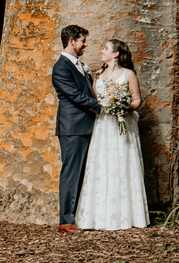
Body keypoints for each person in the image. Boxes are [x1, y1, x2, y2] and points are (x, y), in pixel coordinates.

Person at [75, 38, 150, 230]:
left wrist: (123, 107)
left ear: (116, 53)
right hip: (103, 126)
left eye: (105, 48)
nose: (102, 51)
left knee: (122, 164)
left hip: (122, 123)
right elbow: (95, 100)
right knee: (102, 165)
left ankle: (126, 217)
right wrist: (104, 106)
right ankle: (99, 217)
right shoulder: (98, 75)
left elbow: (137, 100)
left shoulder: (128, 74)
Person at [52, 24, 101, 233]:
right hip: (72, 128)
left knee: (84, 173)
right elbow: (75, 96)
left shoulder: (80, 65)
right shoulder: (61, 67)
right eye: (82, 40)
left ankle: (80, 217)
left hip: (87, 126)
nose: (85, 44)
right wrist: (102, 106)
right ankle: (66, 221)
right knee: (71, 173)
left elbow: (87, 91)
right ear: (71, 41)